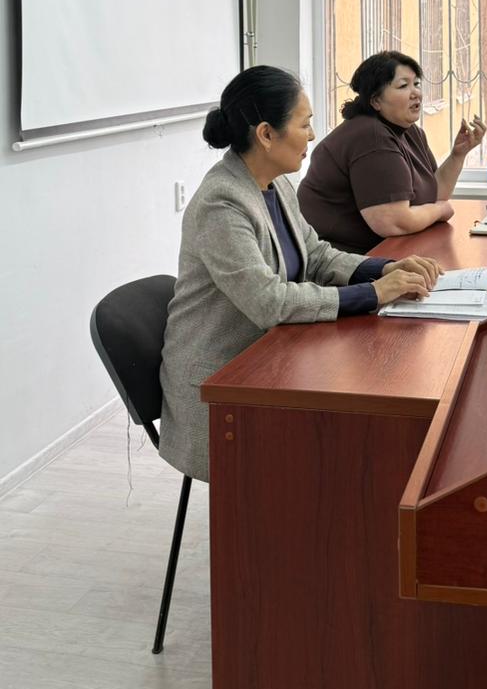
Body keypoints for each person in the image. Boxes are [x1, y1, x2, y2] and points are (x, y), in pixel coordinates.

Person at [159, 65, 441, 481]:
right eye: (304, 124)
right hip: (223, 384)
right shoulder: (222, 203)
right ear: (266, 134)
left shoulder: (275, 184)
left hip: (272, 356)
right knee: (340, 435)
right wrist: (375, 293)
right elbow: (269, 302)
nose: (312, 136)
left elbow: (317, 255)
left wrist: (383, 268)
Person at [297, 51, 486, 253]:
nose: (416, 93)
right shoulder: (370, 136)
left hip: (387, 251)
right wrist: (440, 210)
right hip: (339, 259)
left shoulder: (410, 131)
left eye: (416, 84)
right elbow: (394, 223)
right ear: (376, 101)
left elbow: (433, 194)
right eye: (403, 86)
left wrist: (458, 155)